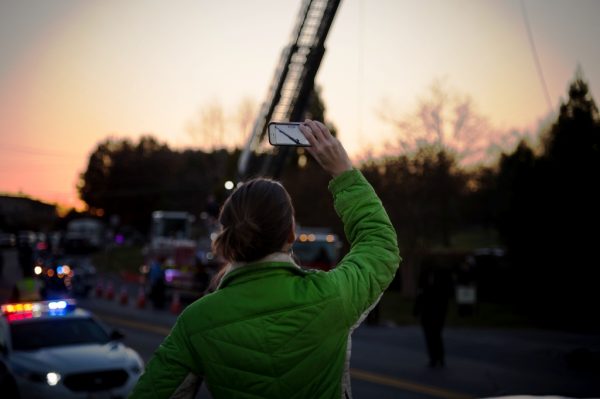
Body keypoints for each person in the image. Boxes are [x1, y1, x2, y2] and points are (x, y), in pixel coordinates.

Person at [130, 120, 401, 399]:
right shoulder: (333, 296)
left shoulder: (196, 322)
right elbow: (379, 245)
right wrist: (343, 172)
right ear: (291, 235)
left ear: (226, 237)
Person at [413, 266, 452, 368]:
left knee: (436, 333)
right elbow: (420, 292)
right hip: (426, 310)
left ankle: (439, 356)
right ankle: (433, 357)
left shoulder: (443, 276)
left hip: (438, 311)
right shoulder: (424, 274)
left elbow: (446, 295)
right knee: (428, 334)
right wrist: (417, 309)